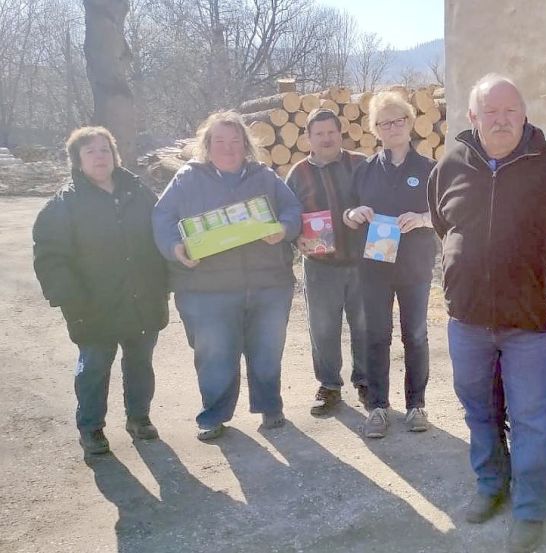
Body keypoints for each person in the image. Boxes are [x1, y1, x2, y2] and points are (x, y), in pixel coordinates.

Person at [428, 74, 546, 553]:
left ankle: (530, 510)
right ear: (473, 118)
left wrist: (535, 277)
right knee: (480, 411)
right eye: (490, 112)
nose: (501, 121)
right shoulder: (451, 164)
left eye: (510, 111)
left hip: (529, 324)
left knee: (532, 419)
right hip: (468, 320)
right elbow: (442, 223)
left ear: (524, 114)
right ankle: (489, 487)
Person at [152, 111, 302, 441]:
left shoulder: (265, 176)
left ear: (246, 145)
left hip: (268, 284)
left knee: (267, 349)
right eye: (219, 141)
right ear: (206, 145)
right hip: (209, 288)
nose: (228, 148)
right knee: (215, 355)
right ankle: (214, 415)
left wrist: (284, 228)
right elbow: (162, 219)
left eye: (235, 141)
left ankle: (270, 406)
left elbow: (293, 210)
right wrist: (176, 249)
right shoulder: (187, 179)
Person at [33, 126, 169, 456]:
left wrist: (166, 283)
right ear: (77, 160)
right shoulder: (64, 204)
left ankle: (139, 418)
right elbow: (50, 256)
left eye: (105, 149)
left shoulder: (139, 193)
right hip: (93, 305)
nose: (99, 156)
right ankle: (91, 427)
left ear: (115, 155)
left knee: (140, 363)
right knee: (94, 368)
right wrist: (70, 299)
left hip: (142, 298)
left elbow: (162, 235)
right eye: (90, 151)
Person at [344, 91, 437, 439]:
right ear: (375, 129)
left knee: (415, 335)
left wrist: (423, 218)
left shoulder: (429, 170)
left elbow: (445, 216)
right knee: (376, 336)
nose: (393, 127)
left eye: (399, 120)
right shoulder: (365, 170)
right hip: (374, 269)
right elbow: (348, 213)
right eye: (385, 122)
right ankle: (378, 407)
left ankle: (416, 406)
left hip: (415, 267)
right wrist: (355, 214)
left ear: (411, 124)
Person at [286, 109, 370, 415]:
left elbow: (379, 200)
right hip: (320, 266)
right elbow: (288, 214)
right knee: (323, 329)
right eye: (319, 134)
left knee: (363, 326)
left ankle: (365, 381)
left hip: (362, 263)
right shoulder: (297, 173)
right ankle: (329, 386)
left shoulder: (361, 163)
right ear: (308, 138)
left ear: (340, 133)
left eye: (331, 132)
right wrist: (296, 238)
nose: (326, 138)